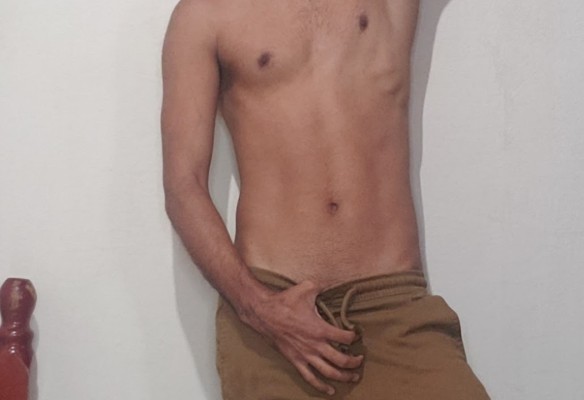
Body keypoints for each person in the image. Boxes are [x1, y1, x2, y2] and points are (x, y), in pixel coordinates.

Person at [160, 0, 490, 398]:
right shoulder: (205, 14)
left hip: (393, 307)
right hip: (272, 315)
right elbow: (184, 187)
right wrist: (258, 308)